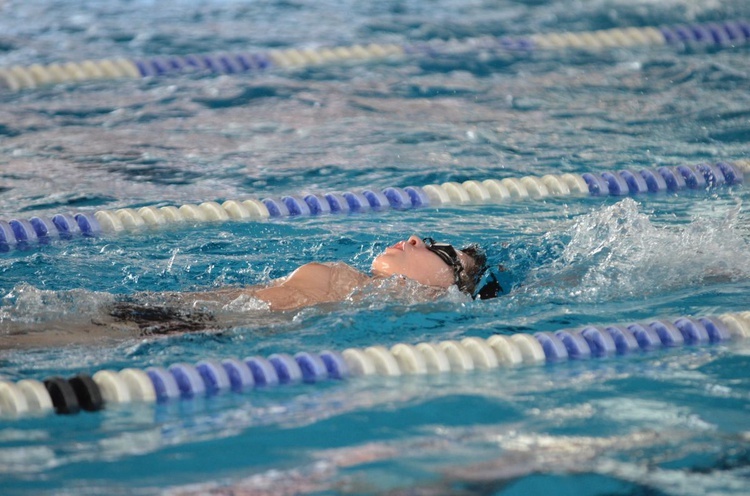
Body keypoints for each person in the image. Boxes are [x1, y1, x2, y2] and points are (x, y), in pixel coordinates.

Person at [108, 235, 499, 334]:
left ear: (442, 290)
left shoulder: (362, 294)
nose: (415, 239)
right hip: (157, 318)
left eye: (441, 252)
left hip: (172, 327)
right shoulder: (354, 288)